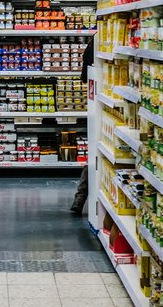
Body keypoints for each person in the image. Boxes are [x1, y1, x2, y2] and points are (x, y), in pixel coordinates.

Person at [71, 35, 94, 214]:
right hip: (105, 105)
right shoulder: (99, 41)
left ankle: (80, 197)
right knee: (96, 154)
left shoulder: (96, 41)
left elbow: (84, 77)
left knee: (94, 155)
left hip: (100, 104)